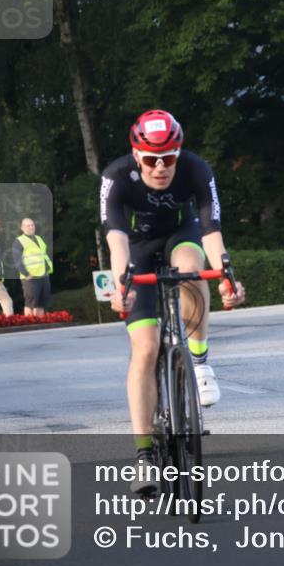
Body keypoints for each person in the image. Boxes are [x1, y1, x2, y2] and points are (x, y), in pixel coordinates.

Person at [101, 109, 245, 494]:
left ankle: (198, 362)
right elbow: (115, 239)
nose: (161, 167)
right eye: (151, 159)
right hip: (137, 250)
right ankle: (144, 456)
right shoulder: (116, 178)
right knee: (145, 350)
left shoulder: (196, 169)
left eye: (169, 157)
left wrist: (227, 276)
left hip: (181, 235)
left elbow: (211, 230)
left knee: (191, 268)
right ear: (136, 156)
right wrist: (122, 285)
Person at [12, 217, 53, 317]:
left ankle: (39, 323)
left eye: (32, 225)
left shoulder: (39, 238)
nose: (31, 227)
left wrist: (47, 269)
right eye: (28, 225)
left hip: (43, 274)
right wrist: (26, 273)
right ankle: (28, 324)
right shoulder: (19, 241)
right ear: (22, 228)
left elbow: (44, 255)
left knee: (42, 301)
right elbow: (17, 260)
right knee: (30, 302)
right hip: (30, 276)